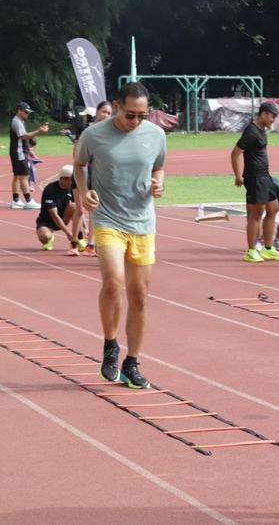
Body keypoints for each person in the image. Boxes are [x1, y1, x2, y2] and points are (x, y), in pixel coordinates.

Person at [74, 82, 166, 389]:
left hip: (142, 221)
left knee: (139, 296)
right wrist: (85, 192)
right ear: (116, 106)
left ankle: (132, 361)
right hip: (107, 217)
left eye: (142, 115)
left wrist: (158, 184)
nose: (136, 121)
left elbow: (159, 168)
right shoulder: (94, 135)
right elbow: (79, 165)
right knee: (113, 281)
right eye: (130, 115)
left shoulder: (155, 135)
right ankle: (110, 344)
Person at [230, 102, 279, 263]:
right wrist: (238, 176)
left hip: (264, 176)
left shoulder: (261, 130)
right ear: (264, 114)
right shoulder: (251, 131)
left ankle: (268, 248)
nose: (274, 120)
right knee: (256, 214)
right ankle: (251, 250)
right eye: (272, 116)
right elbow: (235, 154)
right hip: (254, 177)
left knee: (273, 208)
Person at [69, 101, 113, 257]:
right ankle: (73, 242)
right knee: (80, 209)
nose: (106, 115)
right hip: (82, 170)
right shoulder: (85, 130)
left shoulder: (111, 132)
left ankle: (91, 244)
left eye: (109, 113)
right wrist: (81, 164)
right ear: (97, 112)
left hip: (97, 173)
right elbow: (76, 152)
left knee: (95, 210)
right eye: (103, 112)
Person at [9, 102, 47, 209]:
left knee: (17, 176)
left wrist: (28, 149)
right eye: (25, 112)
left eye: (28, 112)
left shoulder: (19, 121)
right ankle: (28, 201)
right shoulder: (17, 121)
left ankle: (16, 200)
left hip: (18, 151)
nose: (27, 114)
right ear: (19, 110)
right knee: (24, 176)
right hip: (19, 152)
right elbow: (24, 136)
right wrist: (39, 131)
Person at [35, 165, 76, 251]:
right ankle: (50, 237)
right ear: (63, 179)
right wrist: (68, 234)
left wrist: (84, 229)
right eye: (72, 180)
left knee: (74, 205)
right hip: (47, 221)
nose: (73, 182)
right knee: (44, 237)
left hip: (64, 218)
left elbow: (79, 212)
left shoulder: (73, 189)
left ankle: (79, 238)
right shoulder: (50, 189)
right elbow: (54, 215)